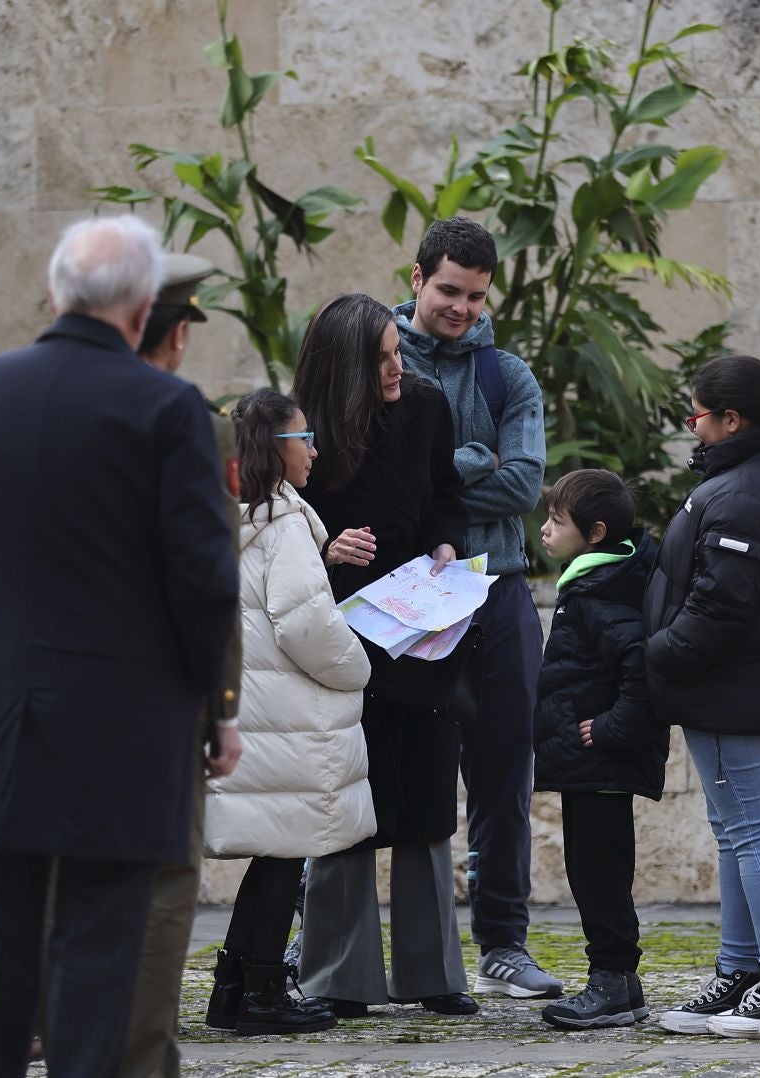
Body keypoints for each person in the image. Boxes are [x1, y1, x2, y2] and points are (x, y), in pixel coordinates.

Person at [0, 214, 239, 1077]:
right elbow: (204, 580)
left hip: (2, 710)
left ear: (56, 295)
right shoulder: (168, 407)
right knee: (98, 952)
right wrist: (215, 708)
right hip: (128, 726)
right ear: (140, 312)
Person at [291, 292, 471, 1018]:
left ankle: (434, 976)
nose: (399, 369)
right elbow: (274, 521)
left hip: (422, 622)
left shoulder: (426, 407)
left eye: (399, 354)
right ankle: (338, 976)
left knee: (427, 794)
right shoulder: (302, 423)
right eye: (384, 361)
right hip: (342, 627)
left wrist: (447, 547)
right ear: (345, 372)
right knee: (347, 799)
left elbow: (448, 497)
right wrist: (327, 548)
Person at [392, 217, 559, 999]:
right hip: (399, 597)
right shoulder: (375, 360)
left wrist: (427, 477)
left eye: (476, 296)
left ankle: (502, 942)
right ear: (417, 277)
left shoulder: (508, 377)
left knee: (501, 774)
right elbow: (364, 468)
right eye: (448, 291)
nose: (461, 308)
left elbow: (525, 485)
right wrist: (466, 462)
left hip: (496, 589)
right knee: (369, 769)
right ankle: (327, 935)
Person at [645, 355, 760, 1041]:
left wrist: (659, 654)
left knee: (753, 833)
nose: (691, 428)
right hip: (730, 686)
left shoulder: (747, 492)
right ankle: (744, 972)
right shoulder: (745, 481)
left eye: (696, 416)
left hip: (731, 685)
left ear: (731, 419)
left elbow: (721, 602)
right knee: (737, 835)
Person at [203, 388, 376, 1037]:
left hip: (255, 711)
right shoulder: (284, 522)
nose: (314, 449)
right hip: (287, 718)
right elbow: (307, 624)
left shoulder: (238, 515)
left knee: (273, 857)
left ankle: (237, 986)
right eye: (303, 438)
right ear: (277, 450)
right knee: (283, 856)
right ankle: (260, 991)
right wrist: (360, 666)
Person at [123, 251, 248, 1078]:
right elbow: (210, 575)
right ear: (171, 333)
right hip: (157, 691)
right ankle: (138, 1060)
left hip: (39, 691)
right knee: (164, 882)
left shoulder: (17, 397)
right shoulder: (194, 422)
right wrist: (223, 702)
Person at [531, 469, 666, 1030]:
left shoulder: (602, 591)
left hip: (601, 761)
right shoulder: (594, 581)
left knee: (599, 872)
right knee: (595, 869)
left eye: (556, 521)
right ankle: (621, 985)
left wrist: (612, 730)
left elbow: (641, 669)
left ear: (596, 532)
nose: (544, 529)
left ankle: (611, 981)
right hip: (590, 762)